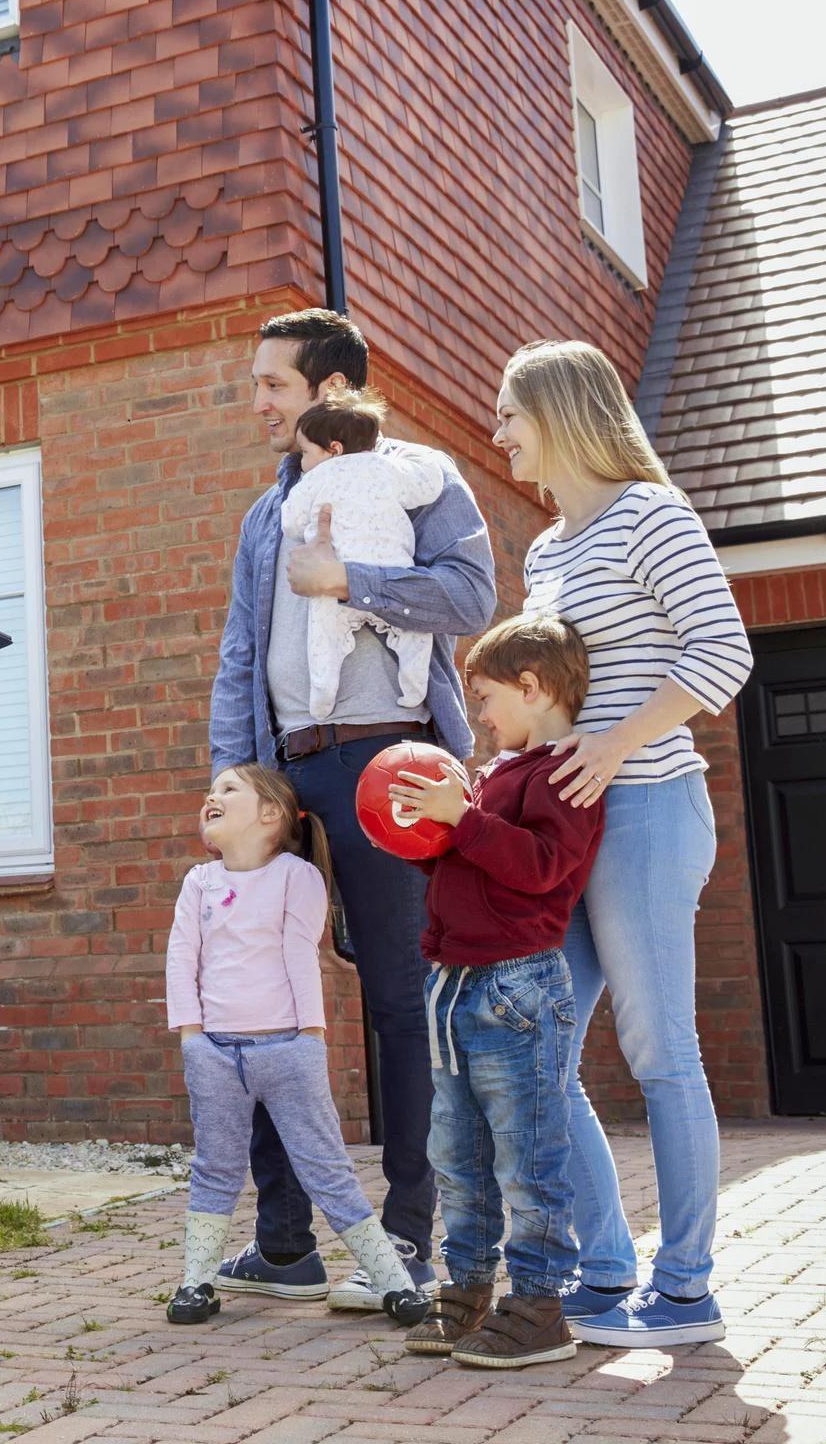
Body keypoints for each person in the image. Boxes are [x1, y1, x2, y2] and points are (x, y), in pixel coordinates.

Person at [209, 308, 498, 1311]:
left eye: (273, 386)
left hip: (388, 759)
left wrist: (353, 578)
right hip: (285, 775)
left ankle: (415, 1232)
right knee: (265, 1005)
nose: (257, 404)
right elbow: (242, 652)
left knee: (397, 1000)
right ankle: (284, 1240)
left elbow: (471, 596)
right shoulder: (262, 515)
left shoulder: (421, 479)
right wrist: (233, 782)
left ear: (327, 393)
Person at [492, 340, 753, 1349]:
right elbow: (555, 696)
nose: (501, 431)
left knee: (659, 1050)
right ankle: (606, 1267)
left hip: (647, 809)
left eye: (512, 412)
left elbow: (720, 651)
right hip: (569, 825)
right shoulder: (546, 550)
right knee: (538, 1053)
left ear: (559, 413)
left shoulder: (654, 513)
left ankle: (684, 1285)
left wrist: (611, 744)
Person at [387, 612, 604, 1368]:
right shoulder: (492, 776)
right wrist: (429, 835)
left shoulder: (567, 773)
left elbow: (543, 867)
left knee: (525, 1154)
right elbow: (465, 867)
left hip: (517, 986)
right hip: (451, 984)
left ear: (532, 685)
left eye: (484, 698)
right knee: (458, 1152)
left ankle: (541, 1302)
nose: (478, 714)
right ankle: (467, 1288)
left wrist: (465, 821)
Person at [164, 764, 424, 1328]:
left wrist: (312, 1037)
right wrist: (191, 1036)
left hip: (286, 1049)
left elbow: (300, 957)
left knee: (327, 1169)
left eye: (229, 788)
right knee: (215, 1168)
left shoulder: (295, 877)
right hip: (214, 1053)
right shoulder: (198, 883)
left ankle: (395, 1285)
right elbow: (183, 960)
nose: (212, 795)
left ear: (271, 814)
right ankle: (195, 1282)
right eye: (211, 789)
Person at [283, 392, 448, 718]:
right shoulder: (388, 467)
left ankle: (322, 695)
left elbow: (290, 521)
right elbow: (429, 484)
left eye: (305, 452)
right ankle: (413, 688)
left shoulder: (316, 477)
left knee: (324, 640)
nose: (302, 462)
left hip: (334, 584)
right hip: (392, 578)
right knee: (415, 636)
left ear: (334, 449)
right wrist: (429, 458)